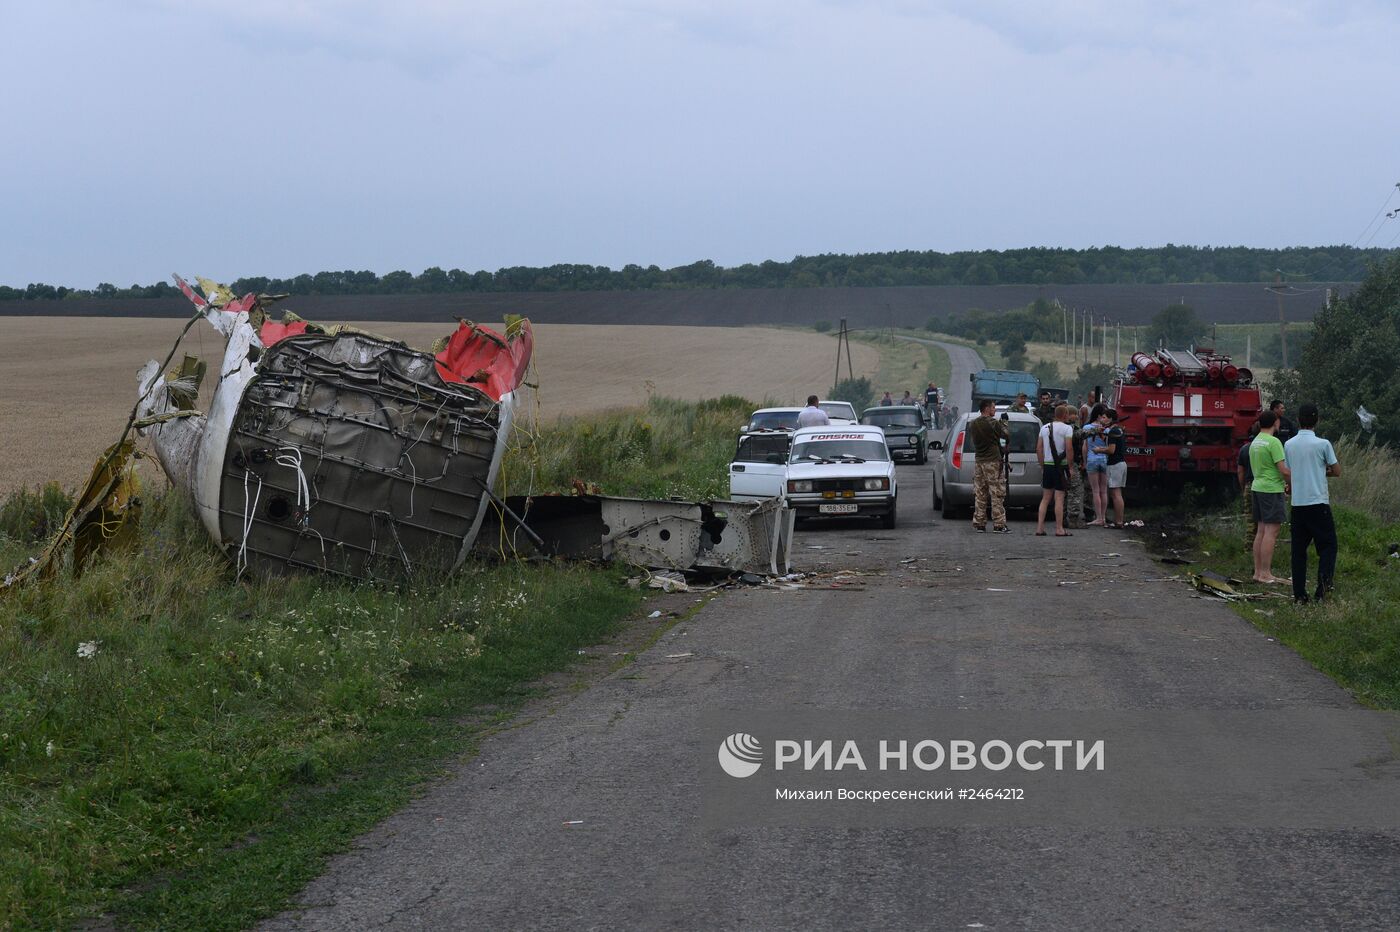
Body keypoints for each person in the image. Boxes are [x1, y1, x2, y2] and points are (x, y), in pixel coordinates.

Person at [1284, 403, 1341, 604]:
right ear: (1317, 420)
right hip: (1318, 502)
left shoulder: (1289, 444)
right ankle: (1322, 591)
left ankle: (1299, 595)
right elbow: (1336, 470)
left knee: (1298, 551)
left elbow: (1291, 473)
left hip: (1298, 504)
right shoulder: (1323, 444)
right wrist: (1322, 471)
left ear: (1298, 420)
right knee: (1328, 546)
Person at [1248, 410, 1292, 585]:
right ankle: (1266, 573)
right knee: (1271, 532)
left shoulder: (1255, 441)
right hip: (1271, 489)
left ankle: (1258, 572)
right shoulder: (1273, 442)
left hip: (1257, 487)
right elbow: (1283, 470)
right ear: (1276, 422)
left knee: (1261, 530)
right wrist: (1293, 481)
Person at [967, 399, 1011, 533]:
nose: (994, 410)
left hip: (979, 461)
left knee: (980, 493)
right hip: (992, 461)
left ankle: (979, 523)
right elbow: (1005, 437)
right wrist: (1004, 423)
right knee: (997, 493)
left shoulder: (973, 424)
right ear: (986, 408)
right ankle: (999, 524)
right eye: (993, 407)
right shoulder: (993, 423)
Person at [1035, 404, 1075, 537]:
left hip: (1047, 465)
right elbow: (1069, 448)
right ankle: (1059, 529)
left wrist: (1042, 465)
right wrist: (1070, 467)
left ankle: (1040, 528)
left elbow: (1039, 449)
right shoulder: (1067, 429)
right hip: (1060, 467)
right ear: (1064, 415)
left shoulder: (1044, 428)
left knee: (1045, 498)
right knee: (1059, 498)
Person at [1084, 408, 1110, 526]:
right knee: (1104, 491)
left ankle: (1098, 517)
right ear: (1100, 416)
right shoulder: (1108, 429)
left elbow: (1085, 447)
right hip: (1105, 460)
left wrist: (1084, 462)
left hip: (1092, 459)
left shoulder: (1086, 428)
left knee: (1095, 491)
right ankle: (1104, 517)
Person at [1102, 409, 1126, 528]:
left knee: (1116, 494)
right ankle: (1119, 520)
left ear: (1111, 419)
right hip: (1120, 463)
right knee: (1117, 493)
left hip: (1114, 464)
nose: (1102, 420)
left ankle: (1119, 521)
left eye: (1105, 417)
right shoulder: (1119, 430)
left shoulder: (1113, 432)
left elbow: (1111, 450)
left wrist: (1099, 450)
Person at [1237, 423, 1259, 552]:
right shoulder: (1268, 446)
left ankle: (1248, 549)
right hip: (1264, 486)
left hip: (1249, 485)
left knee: (1250, 520)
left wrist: (1243, 487)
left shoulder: (1244, 449)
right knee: (1263, 523)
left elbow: (1240, 471)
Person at [1065, 410, 1088, 530]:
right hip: (1070, 462)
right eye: (1074, 414)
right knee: (1075, 490)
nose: (1076, 416)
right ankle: (1073, 520)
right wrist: (1096, 429)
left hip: (1062, 462)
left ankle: (1064, 518)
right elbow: (1080, 434)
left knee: (1063, 492)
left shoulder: (1054, 427)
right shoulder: (1070, 429)